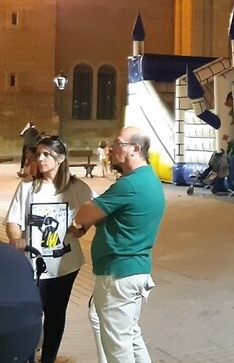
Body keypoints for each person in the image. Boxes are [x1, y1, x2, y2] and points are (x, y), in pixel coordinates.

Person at [73, 127, 166, 363]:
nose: (112, 149)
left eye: (118, 144)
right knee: (131, 336)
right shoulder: (148, 180)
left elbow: (85, 213)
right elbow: (113, 215)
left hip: (118, 274)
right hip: (136, 270)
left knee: (118, 347)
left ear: (136, 149)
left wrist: (88, 209)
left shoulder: (129, 185)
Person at [6, 136, 95, 363]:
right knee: (31, 314)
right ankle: (26, 355)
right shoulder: (27, 186)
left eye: (47, 154)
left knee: (56, 314)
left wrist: (82, 228)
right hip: (32, 266)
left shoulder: (78, 188)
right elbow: (13, 221)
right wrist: (16, 238)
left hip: (65, 265)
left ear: (61, 158)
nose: (41, 159)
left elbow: (92, 213)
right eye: (39, 154)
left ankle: (48, 358)